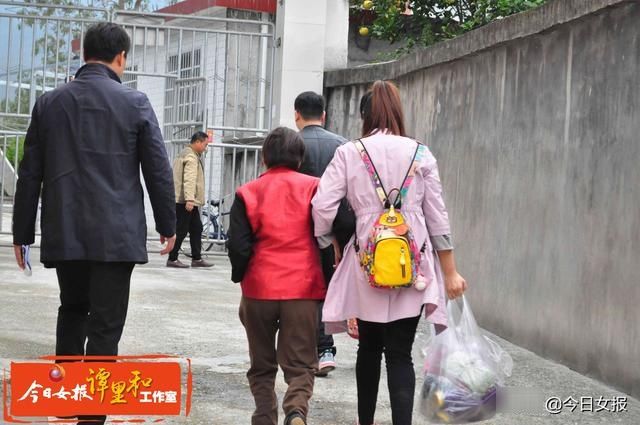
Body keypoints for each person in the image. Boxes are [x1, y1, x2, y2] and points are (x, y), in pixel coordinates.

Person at [11, 23, 176, 425]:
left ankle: (66, 398)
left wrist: (22, 233)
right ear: (121, 57)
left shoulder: (50, 103)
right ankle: (91, 415)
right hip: (116, 237)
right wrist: (168, 224)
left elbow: (29, 173)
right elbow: (157, 168)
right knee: (105, 324)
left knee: (72, 309)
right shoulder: (135, 103)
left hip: (66, 230)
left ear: (84, 54)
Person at [312, 80, 467, 425]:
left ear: (365, 114)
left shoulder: (350, 152)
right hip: (412, 266)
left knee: (368, 349)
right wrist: (450, 271)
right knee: (400, 354)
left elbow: (322, 206)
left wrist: (329, 241)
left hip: (366, 262)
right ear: (398, 111)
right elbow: (438, 216)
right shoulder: (421, 153)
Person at [227, 127, 326, 425]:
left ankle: (264, 416)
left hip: (259, 288)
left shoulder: (247, 192)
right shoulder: (315, 188)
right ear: (299, 158)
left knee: (261, 364)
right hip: (303, 287)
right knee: (301, 363)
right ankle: (295, 411)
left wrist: (241, 276)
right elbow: (328, 233)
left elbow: (238, 245)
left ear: (264, 157)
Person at [294, 91, 354, 377]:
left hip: (298, 232)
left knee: (303, 292)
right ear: (324, 115)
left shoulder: (291, 145)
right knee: (328, 289)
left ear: (297, 114)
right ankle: (326, 349)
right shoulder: (343, 146)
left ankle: (312, 349)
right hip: (334, 234)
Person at [167, 131, 214, 268]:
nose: (205, 148)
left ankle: (197, 258)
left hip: (184, 199)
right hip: (185, 201)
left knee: (196, 228)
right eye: (205, 144)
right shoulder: (191, 157)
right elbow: (189, 179)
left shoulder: (184, 153)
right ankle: (172, 258)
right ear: (198, 142)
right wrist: (190, 199)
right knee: (181, 229)